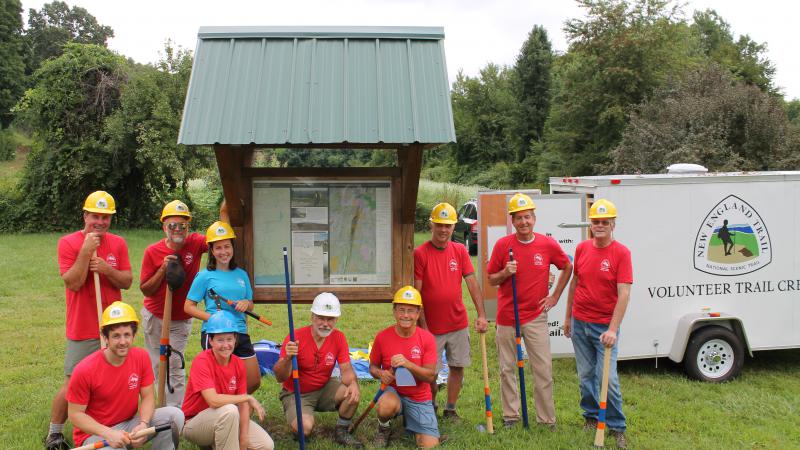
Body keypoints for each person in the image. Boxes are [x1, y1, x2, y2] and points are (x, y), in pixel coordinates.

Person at [46, 191, 133, 450]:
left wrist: (107, 270)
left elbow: (127, 281)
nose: (101, 222)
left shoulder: (118, 243)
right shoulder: (68, 243)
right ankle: (55, 432)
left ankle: (111, 424)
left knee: (112, 377)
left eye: (106, 217)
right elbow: (72, 282)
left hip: (114, 325)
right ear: (85, 215)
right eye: (96, 216)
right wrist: (85, 252)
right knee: (73, 381)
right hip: (83, 326)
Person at [486, 192, 572, 429]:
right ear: (512, 221)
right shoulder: (503, 245)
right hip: (506, 317)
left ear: (534, 218)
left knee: (542, 369)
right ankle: (511, 416)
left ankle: (546, 419)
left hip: (535, 317)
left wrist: (554, 296)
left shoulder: (547, 244)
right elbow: (492, 279)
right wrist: (505, 272)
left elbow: (567, 266)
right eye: (519, 218)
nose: (524, 222)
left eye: (528, 217)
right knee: (507, 369)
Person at [66, 301, 184, 449]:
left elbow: (148, 397)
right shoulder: (84, 370)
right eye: (116, 336)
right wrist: (109, 433)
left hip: (128, 425)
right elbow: (75, 415)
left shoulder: (141, 357)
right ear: (105, 337)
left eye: (127, 335)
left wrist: (143, 424)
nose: (123, 342)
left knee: (175, 416)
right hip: (96, 435)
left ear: (133, 335)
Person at [564, 199, 632, 449]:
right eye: (596, 222)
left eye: (605, 222)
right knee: (585, 376)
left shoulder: (621, 253)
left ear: (613, 224)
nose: (600, 225)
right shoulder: (582, 249)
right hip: (580, 322)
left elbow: (624, 293)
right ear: (590, 224)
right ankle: (591, 416)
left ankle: (617, 426)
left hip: (604, 328)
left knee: (609, 380)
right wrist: (568, 317)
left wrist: (613, 329)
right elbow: (574, 283)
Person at [413, 202, 488, 419]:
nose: (443, 230)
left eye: (448, 225)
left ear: (454, 227)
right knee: (430, 374)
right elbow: (417, 294)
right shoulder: (420, 253)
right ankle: (432, 404)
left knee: (457, 367)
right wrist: (423, 326)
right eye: (439, 225)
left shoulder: (460, 251)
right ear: (431, 225)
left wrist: (482, 315)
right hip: (431, 328)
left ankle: (451, 409)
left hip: (457, 323)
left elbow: (472, 283)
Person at [139, 200, 208, 407]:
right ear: (164, 227)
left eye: (182, 225)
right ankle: (158, 408)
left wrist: (227, 208)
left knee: (174, 365)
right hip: (155, 316)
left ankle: (175, 415)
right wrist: (162, 270)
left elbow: (220, 237)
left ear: (188, 226)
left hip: (180, 319)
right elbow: (146, 289)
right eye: (172, 225)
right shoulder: (152, 251)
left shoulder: (195, 243)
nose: (178, 229)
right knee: (157, 366)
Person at [274, 292, 363, 447]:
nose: (325, 324)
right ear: (312, 317)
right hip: (296, 392)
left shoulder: (339, 337)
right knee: (305, 428)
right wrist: (288, 358)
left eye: (330, 319)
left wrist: (353, 383)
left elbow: (346, 369)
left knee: (352, 392)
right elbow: (279, 376)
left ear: (336, 320)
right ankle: (301, 425)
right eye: (321, 318)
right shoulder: (295, 337)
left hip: (324, 387)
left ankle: (341, 431)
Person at [185, 221, 261, 394]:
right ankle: (222, 414)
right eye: (218, 248)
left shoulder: (241, 274)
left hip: (239, 332)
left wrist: (245, 303)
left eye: (227, 246)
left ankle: (235, 407)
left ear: (232, 247)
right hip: (216, 334)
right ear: (211, 250)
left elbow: (250, 302)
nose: (223, 252)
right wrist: (212, 319)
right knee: (220, 382)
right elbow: (188, 307)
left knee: (253, 380)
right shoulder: (204, 276)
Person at [182, 310, 274, 450]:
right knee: (230, 410)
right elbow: (213, 400)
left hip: (225, 418)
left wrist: (243, 440)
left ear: (235, 339)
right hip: (194, 423)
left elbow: (243, 405)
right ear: (210, 341)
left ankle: (219, 443)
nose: (226, 345)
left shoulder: (238, 363)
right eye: (220, 340)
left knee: (266, 445)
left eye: (229, 339)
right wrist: (247, 398)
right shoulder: (201, 361)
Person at [369, 286, 439, 448]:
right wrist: (381, 374)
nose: (406, 315)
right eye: (401, 310)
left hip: (419, 397)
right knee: (386, 405)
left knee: (429, 445)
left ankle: (412, 419)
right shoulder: (382, 337)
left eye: (411, 311)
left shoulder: (427, 338)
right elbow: (372, 367)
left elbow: (430, 376)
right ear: (394, 311)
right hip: (393, 392)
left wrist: (408, 364)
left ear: (418, 313)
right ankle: (383, 428)